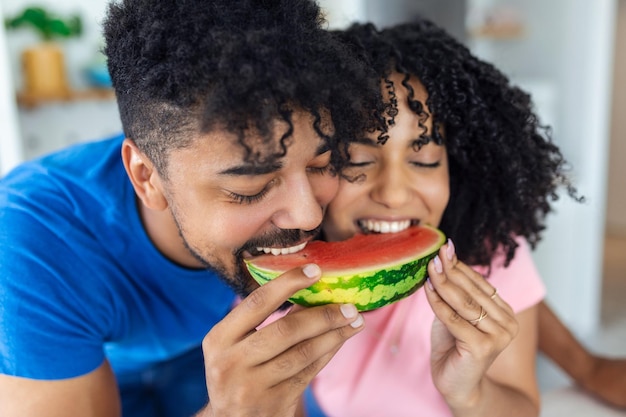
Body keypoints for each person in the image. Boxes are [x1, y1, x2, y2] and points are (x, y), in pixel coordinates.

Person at [0, 1, 384, 416]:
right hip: (100, 372)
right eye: (250, 188)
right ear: (147, 177)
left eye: (321, 164)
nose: (309, 215)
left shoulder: (336, 192)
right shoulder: (27, 244)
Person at [300, 19, 582, 417]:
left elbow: (523, 408)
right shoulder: (294, 276)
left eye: (423, 159)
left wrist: (469, 393)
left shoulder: (494, 259)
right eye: (358, 160)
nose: (394, 193)